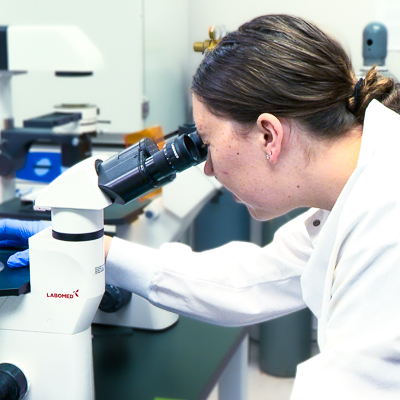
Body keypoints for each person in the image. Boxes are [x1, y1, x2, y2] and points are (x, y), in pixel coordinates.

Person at [2, 14, 400, 399]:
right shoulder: (357, 186)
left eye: (206, 144)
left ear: (268, 135)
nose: (207, 168)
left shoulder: (386, 221)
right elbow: (254, 279)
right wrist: (98, 250)